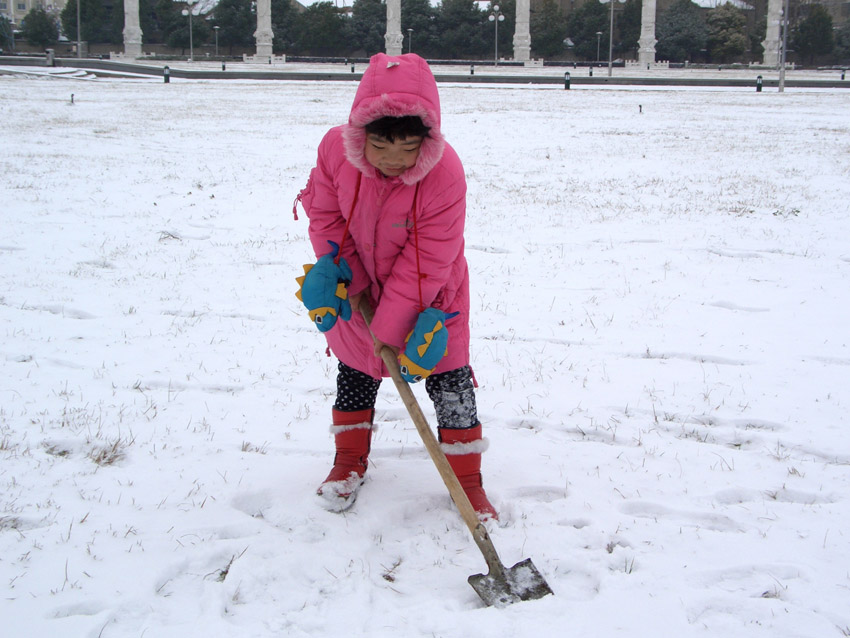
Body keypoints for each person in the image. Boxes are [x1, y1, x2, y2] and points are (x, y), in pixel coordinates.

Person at [294, 53, 497, 521]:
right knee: (356, 368)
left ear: (427, 139)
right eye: (381, 147)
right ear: (359, 134)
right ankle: (347, 463)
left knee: (449, 381)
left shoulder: (443, 173)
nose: (393, 161)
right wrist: (348, 276)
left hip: (432, 296)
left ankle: (468, 484)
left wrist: (391, 327)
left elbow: (428, 260)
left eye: (408, 148)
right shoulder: (334, 151)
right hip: (357, 286)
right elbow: (327, 216)